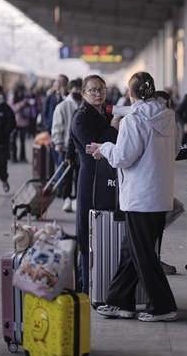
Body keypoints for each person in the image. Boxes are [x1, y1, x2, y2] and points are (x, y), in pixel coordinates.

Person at [92, 71, 179, 322]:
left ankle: (163, 307)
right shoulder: (168, 116)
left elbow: (122, 158)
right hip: (160, 195)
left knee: (143, 256)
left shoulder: (133, 121)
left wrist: (104, 148)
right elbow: (173, 152)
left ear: (131, 94)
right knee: (132, 251)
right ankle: (120, 302)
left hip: (140, 197)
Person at [70, 74, 120, 294]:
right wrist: (114, 129)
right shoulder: (81, 118)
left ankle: (99, 282)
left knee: (103, 228)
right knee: (88, 230)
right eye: (93, 90)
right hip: (91, 179)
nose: (99, 94)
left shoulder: (104, 112)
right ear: (83, 93)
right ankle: (85, 285)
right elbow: (94, 149)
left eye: (102, 89)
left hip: (106, 177)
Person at [51, 79, 83, 212]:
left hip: (81, 149)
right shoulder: (62, 106)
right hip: (65, 146)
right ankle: (67, 198)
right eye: (75, 90)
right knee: (67, 175)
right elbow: (57, 126)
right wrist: (58, 143)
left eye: (80, 90)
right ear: (70, 90)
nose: (78, 93)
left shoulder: (84, 105)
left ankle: (76, 199)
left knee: (79, 175)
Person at [7, 83, 31, 163]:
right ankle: (13, 157)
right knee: (13, 141)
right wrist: (19, 105)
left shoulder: (25, 98)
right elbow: (10, 109)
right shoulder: (11, 98)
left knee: (23, 142)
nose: (21, 93)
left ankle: (22, 157)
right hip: (15, 123)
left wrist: (27, 105)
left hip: (23, 123)